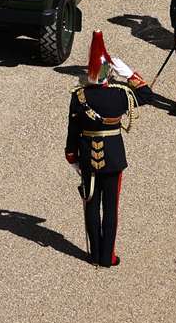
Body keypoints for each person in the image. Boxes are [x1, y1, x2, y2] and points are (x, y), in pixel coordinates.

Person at [64, 32, 153, 267]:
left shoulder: (79, 96)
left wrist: (73, 157)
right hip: (113, 158)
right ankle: (107, 256)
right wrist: (129, 73)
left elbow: (72, 131)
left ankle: (93, 253)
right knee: (111, 210)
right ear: (109, 72)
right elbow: (146, 95)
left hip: (87, 158)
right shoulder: (120, 93)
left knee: (91, 207)